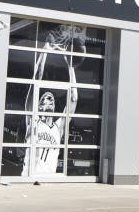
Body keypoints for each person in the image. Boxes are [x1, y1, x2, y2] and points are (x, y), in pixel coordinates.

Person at [22, 34, 80, 176]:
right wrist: (45, 51)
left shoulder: (58, 127)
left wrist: (70, 66)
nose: (49, 100)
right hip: (29, 178)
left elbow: (73, 98)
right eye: (44, 99)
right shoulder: (33, 120)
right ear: (39, 106)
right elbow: (36, 80)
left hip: (49, 179)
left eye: (51, 99)